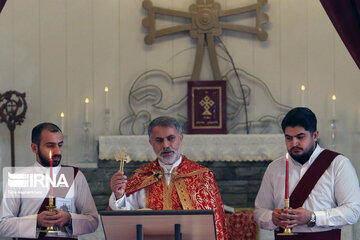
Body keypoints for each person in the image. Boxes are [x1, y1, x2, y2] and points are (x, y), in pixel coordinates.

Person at [109, 116, 228, 240]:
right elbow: (124, 218)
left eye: (171, 138)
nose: (165, 145)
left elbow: (215, 225)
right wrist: (119, 195)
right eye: (159, 140)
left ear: (181, 139)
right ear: (151, 143)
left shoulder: (202, 176)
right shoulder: (141, 176)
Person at [254, 107, 360, 240]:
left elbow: (353, 212)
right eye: (288, 138)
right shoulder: (274, 168)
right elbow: (259, 212)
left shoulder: (338, 164)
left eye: (300, 137)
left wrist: (313, 217)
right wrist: (273, 218)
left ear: (315, 135)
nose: (294, 143)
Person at [0, 122, 99, 239]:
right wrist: (35, 221)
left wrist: (69, 219)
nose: (58, 151)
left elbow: (93, 221)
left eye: (60, 145)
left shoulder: (75, 176)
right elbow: (3, 225)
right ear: (34, 148)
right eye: (50, 145)